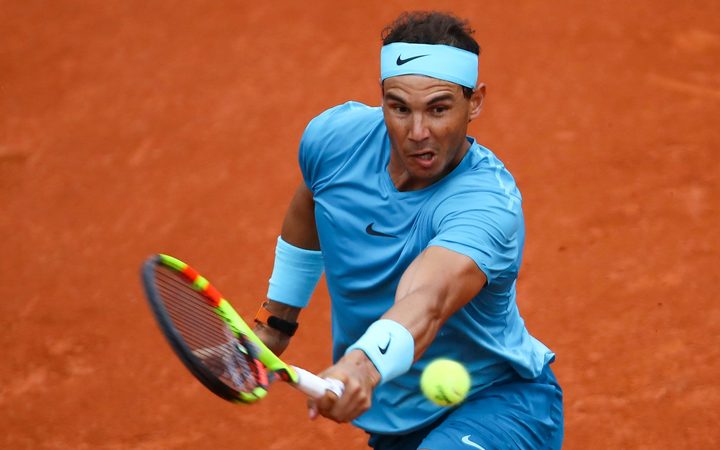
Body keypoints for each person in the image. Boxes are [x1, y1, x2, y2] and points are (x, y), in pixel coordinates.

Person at [252, 10, 563, 450]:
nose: (418, 132)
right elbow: (311, 200)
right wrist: (276, 322)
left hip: (502, 403)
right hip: (396, 425)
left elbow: (427, 299)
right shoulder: (333, 141)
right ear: (381, 98)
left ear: (475, 102)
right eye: (399, 108)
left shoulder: (487, 205)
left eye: (439, 109)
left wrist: (361, 366)